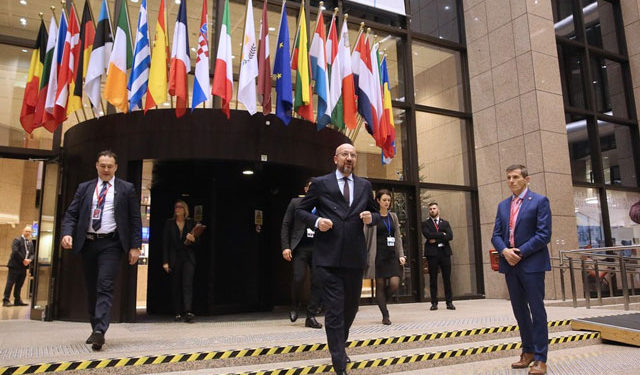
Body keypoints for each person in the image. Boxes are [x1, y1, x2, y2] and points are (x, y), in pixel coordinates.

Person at [297, 143, 379, 375]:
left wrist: (370, 217)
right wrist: (316, 222)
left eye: (353, 155)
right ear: (335, 159)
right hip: (327, 258)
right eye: (345, 154)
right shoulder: (321, 184)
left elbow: (377, 215)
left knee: (350, 308)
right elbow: (300, 211)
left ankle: (339, 346)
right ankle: (339, 363)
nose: (349, 158)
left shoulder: (364, 186)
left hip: (354, 258)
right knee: (334, 310)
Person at [61, 150, 142, 351]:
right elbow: (71, 214)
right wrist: (67, 233)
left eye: (110, 166)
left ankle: (100, 332)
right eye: (103, 165)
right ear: (97, 166)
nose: (106, 170)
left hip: (112, 244)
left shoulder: (126, 189)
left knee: (104, 285)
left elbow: (134, 219)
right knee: (92, 288)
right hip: (88, 243)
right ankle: (95, 327)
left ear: (116, 167)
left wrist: (135, 246)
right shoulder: (84, 188)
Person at [491, 164, 551, 375]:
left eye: (516, 177)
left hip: (531, 264)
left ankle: (541, 359)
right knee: (519, 310)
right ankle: (528, 352)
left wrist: (519, 252)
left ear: (527, 179)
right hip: (510, 264)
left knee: (536, 310)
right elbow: (496, 235)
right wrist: (505, 252)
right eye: (508, 177)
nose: (511, 181)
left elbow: (544, 235)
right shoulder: (502, 205)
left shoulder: (540, 201)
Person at [281, 179, 322, 329]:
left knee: (318, 280)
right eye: (310, 188)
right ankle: (294, 305)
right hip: (300, 248)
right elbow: (286, 225)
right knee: (299, 278)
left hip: (318, 248)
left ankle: (311, 315)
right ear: (305, 189)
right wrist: (286, 247)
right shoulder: (295, 203)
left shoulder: (323, 205)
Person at [364, 189, 406, 325]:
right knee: (380, 286)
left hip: (391, 255)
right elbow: (365, 237)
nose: (387, 202)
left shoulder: (393, 216)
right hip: (378, 255)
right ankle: (385, 314)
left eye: (389, 200)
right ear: (378, 201)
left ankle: (381, 302)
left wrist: (401, 254)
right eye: (384, 200)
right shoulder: (373, 217)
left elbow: (397, 237)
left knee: (394, 284)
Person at [162, 200, 198, 323]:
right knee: (176, 284)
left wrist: (193, 239)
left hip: (188, 257)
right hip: (175, 257)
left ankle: (188, 311)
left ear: (185, 210)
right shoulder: (170, 223)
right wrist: (165, 261)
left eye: (180, 207)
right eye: (176, 207)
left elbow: (198, 243)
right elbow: (165, 243)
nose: (177, 209)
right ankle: (177, 312)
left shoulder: (191, 223)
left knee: (187, 284)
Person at [421, 202, 455, 311]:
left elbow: (450, 236)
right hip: (432, 254)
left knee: (447, 278)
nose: (432, 210)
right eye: (430, 209)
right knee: (433, 279)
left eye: (434, 208)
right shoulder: (425, 223)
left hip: (444, 253)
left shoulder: (445, 223)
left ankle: (449, 302)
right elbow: (428, 235)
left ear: (438, 210)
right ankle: (434, 303)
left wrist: (436, 238)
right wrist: (442, 234)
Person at [3, 225, 34, 307]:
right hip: (15, 265)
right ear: (23, 231)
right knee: (10, 283)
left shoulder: (30, 243)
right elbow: (15, 252)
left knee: (19, 284)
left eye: (29, 231)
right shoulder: (17, 240)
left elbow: (32, 254)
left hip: (24, 267)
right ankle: (6, 300)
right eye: (26, 231)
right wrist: (23, 260)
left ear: (31, 233)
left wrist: (29, 260)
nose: (28, 233)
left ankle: (17, 300)